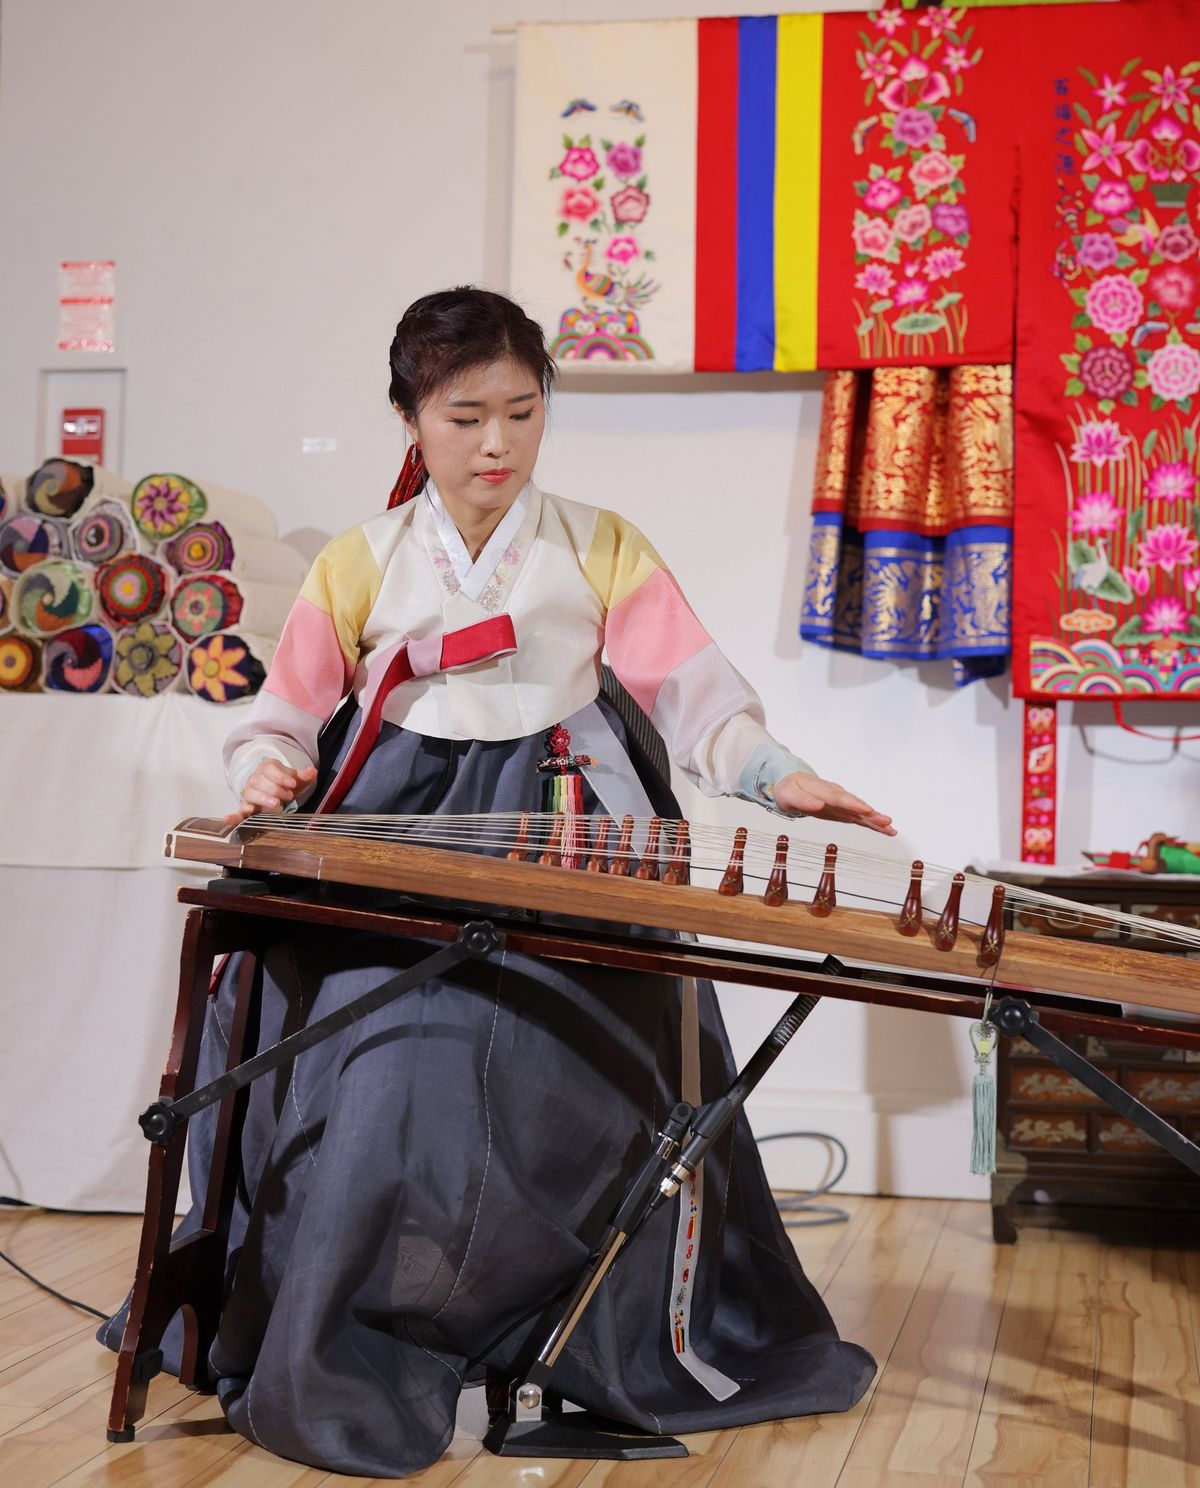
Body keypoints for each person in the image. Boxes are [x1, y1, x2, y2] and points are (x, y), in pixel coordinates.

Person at [103, 287, 892, 1477]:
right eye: (465, 415)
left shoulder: (598, 540)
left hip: (570, 826)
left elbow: (696, 696)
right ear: (410, 417)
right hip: (397, 832)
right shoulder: (363, 560)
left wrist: (783, 778)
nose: (495, 445)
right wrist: (270, 773)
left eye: (522, 413)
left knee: (605, 1076)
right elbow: (287, 711)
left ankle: (584, 1343)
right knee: (375, 1082)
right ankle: (348, 1344)